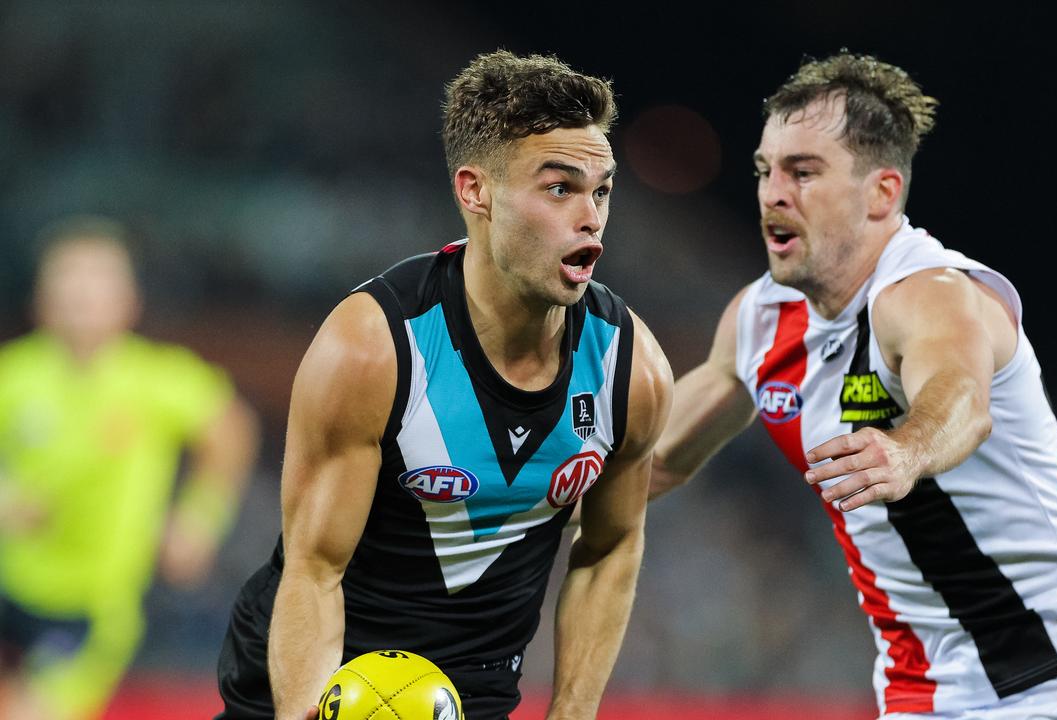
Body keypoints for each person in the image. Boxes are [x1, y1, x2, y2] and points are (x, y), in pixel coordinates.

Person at [649, 52, 1057, 718]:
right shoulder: (758, 322)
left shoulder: (932, 294)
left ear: (882, 192)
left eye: (804, 172)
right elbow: (649, 462)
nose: (773, 192)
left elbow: (961, 400)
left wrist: (905, 448)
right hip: (929, 698)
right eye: (766, 170)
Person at [215, 50, 673, 720]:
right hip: (318, 679)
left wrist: (571, 715)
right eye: (558, 188)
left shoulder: (630, 370)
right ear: (475, 191)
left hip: (471, 692)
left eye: (600, 190)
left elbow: (608, 549)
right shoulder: (373, 348)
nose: (591, 216)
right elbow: (315, 572)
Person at [0, 216, 260, 720]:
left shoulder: (157, 381)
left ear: (129, 300)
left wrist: (199, 518)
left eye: (97, 281)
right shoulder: (15, 374)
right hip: (10, 584)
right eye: (67, 279)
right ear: (40, 297)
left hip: (89, 606)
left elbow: (232, 430)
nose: (80, 294)